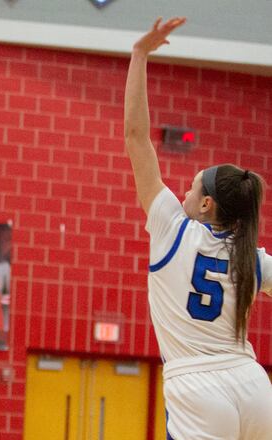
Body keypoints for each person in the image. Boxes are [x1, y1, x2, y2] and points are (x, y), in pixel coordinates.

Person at [124, 17, 272, 439]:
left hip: (198, 386)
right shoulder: (253, 258)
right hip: (253, 383)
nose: (182, 191)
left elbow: (137, 138)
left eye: (190, 186)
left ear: (206, 203)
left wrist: (139, 55)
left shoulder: (172, 227)